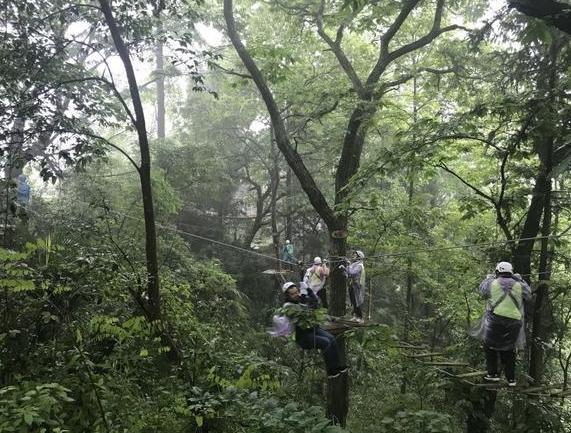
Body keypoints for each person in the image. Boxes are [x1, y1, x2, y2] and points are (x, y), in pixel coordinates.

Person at [278, 281, 346, 379]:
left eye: (296, 292)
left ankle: (337, 367)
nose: (296, 295)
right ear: (287, 295)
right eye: (293, 294)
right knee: (326, 342)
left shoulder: (300, 298)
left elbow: (315, 302)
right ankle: (331, 371)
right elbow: (305, 310)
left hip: (313, 329)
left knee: (331, 338)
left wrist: (309, 290)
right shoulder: (288, 306)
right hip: (303, 336)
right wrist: (306, 301)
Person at [478, 261, 531, 386]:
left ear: (497, 271)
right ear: (511, 272)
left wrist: (488, 279)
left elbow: (482, 292)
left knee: (489, 346)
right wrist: (521, 280)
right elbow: (528, 295)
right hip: (514, 322)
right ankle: (511, 379)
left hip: (495, 321)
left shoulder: (492, 282)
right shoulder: (519, 284)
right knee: (509, 349)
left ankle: (492, 374)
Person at [341, 250, 366, 323]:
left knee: (357, 301)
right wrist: (344, 269)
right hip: (352, 285)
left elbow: (352, 272)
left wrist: (348, 265)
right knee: (353, 301)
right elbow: (348, 274)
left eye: (355, 255)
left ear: (359, 257)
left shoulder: (360, 266)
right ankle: (355, 316)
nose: (353, 257)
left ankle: (360, 317)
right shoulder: (354, 265)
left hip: (357, 286)